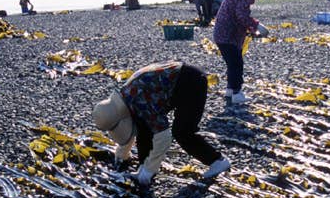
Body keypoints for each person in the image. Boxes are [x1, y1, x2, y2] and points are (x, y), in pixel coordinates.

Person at [92, 61, 231, 186]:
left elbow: (163, 137)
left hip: (191, 82)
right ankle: (143, 166)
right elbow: (133, 129)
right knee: (143, 126)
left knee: (182, 132)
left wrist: (150, 169)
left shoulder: (140, 100)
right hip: (171, 85)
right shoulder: (126, 97)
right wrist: (122, 156)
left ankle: (217, 161)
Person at [213, 0, 273, 105]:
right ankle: (236, 93)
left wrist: (251, 30)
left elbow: (238, 16)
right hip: (227, 35)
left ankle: (229, 91)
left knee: (232, 63)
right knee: (236, 64)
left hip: (222, 34)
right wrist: (257, 26)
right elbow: (241, 15)